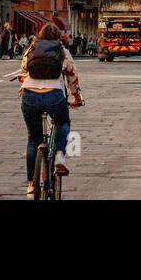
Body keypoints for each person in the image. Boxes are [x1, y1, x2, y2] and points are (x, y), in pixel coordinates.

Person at [18, 23, 84, 199]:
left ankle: (31, 186)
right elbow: (72, 77)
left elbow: (23, 72)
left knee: (33, 139)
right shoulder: (62, 51)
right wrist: (77, 98)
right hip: (54, 96)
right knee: (63, 122)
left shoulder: (31, 48)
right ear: (58, 37)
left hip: (30, 96)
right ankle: (60, 155)